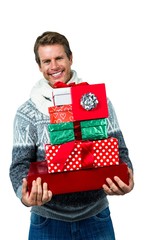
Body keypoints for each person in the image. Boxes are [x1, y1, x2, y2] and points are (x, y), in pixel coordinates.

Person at [9, 31, 134, 240]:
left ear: (70, 58)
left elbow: (119, 149)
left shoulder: (98, 101)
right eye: (46, 61)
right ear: (39, 66)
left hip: (96, 216)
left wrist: (127, 175)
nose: (54, 66)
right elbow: (19, 165)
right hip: (47, 220)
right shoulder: (27, 113)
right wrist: (25, 196)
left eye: (59, 58)